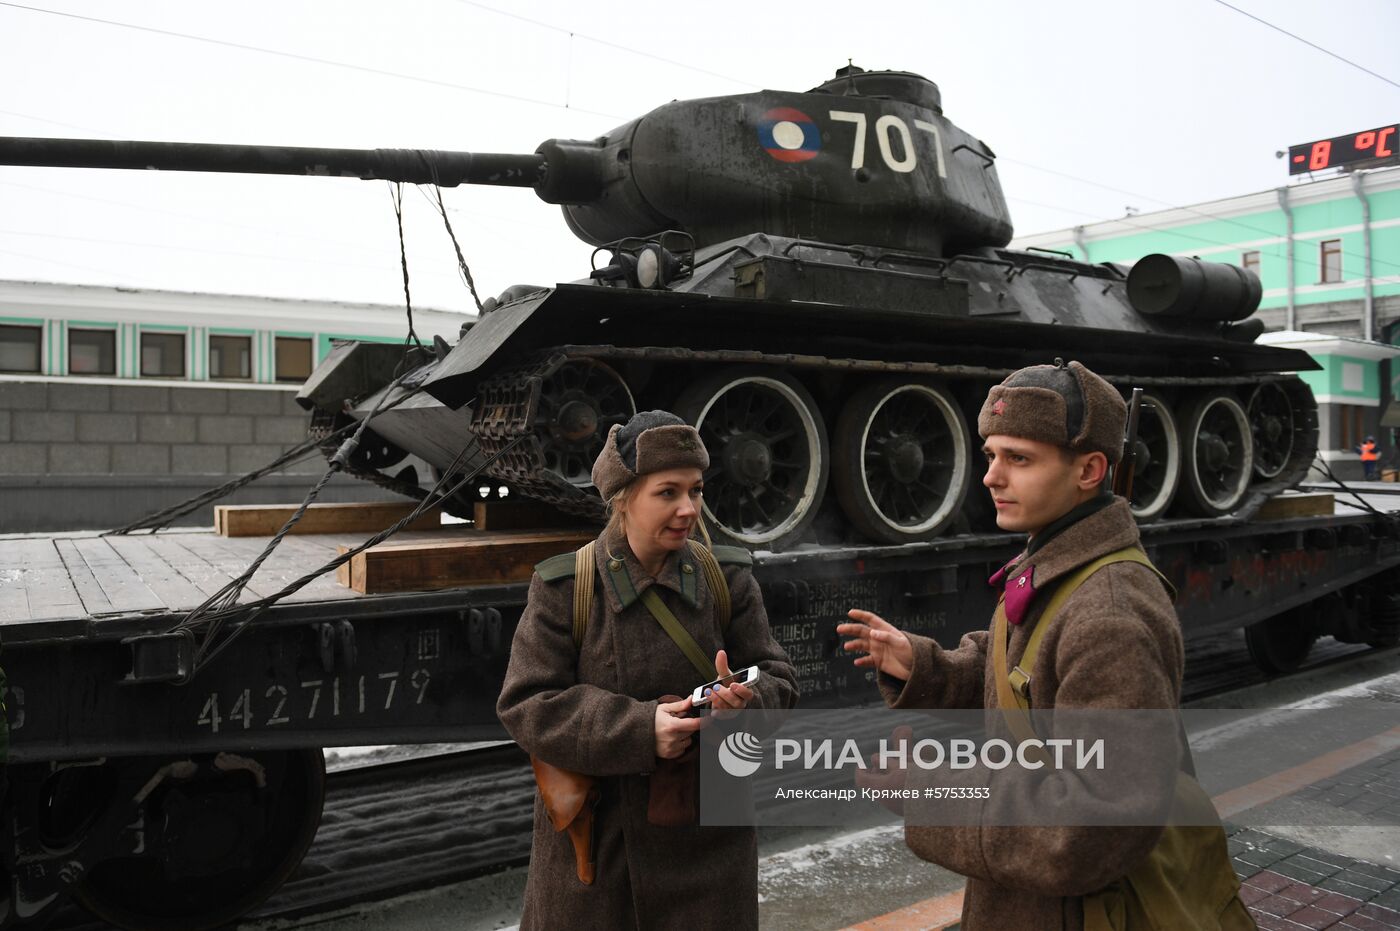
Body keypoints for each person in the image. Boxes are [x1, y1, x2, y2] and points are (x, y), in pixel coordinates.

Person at [837, 360, 1254, 931]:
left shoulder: (1109, 613)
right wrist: (925, 666)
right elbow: (1021, 666)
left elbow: (1094, 822)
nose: (991, 477)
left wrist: (927, 790)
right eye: (991, 455)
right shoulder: (1059, 562)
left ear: (1089, 470)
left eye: (1020, 459)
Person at [497, 410, 799, 931]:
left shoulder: (725, 579)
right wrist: (642, 729)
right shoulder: (567, 589)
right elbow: (526, 704)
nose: (688, 508)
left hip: (711, 850)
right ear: (623, 498)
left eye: (696, 490)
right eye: (668, 492)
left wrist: (746, 702)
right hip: (599, 857)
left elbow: (779, 678)